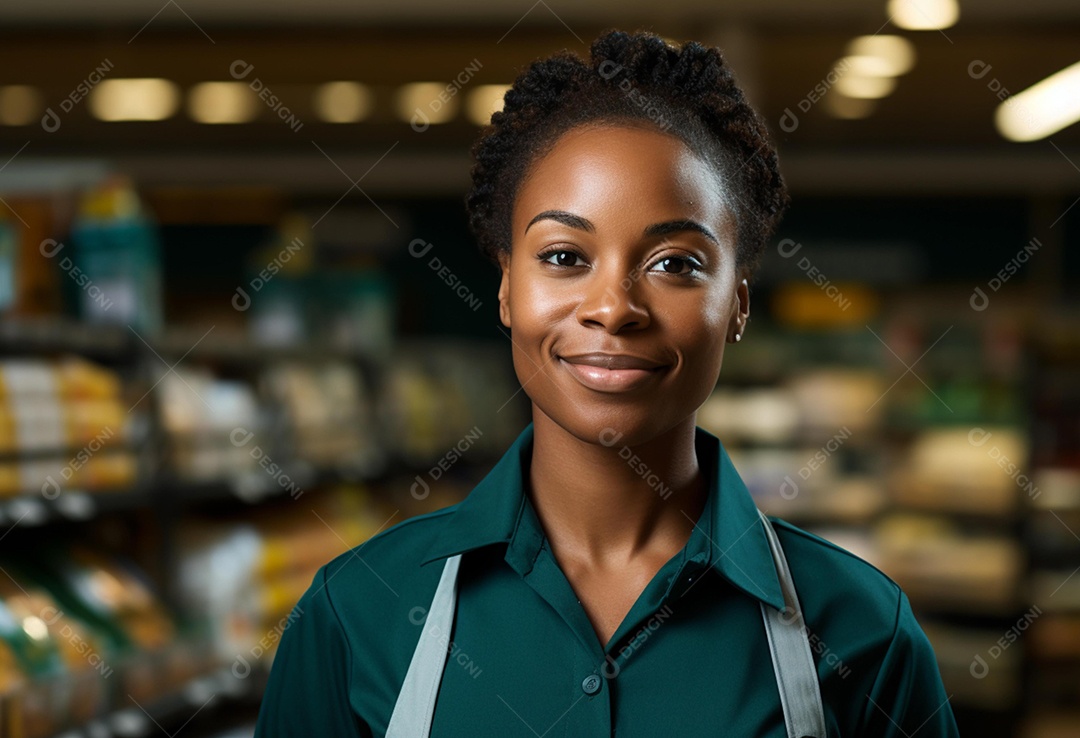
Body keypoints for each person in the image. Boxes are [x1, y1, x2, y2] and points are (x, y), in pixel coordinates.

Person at [253, 28, 960, 737]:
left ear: (737, 305)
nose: (614, 307)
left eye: (675, 264)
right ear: (506, 290)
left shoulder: (864, 634)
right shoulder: (357, 614)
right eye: (564, 255)